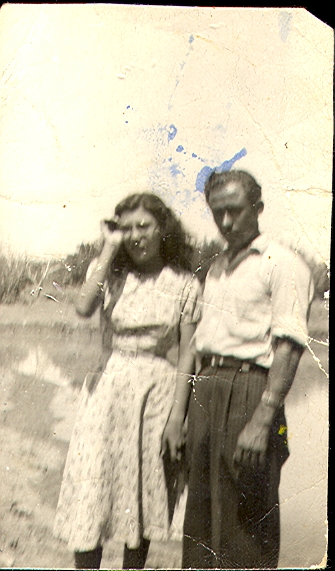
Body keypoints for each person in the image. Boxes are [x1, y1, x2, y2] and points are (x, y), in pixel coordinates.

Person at [165, 170, 314, 569]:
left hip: (252, 390)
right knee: (200, 516)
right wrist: (179, 416)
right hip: (209, 387)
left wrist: (262, 419)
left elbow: (290, 346)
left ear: (258, 209)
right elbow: (197, 344)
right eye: (218, 214)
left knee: (248, 522)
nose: (226, 223)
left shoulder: (282, 264)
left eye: (234, 211)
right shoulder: (216, 268)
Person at [53, 192, 201, 570]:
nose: (136, 236)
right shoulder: (110, 275)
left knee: (144, 492)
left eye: (144, 226)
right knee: (94, 487)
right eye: (127, 228)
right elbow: (83, 307)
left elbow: (187, 352)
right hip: (108, 387)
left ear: (162, 228)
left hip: (158, 392)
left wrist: (177, 418)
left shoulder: (184, 282)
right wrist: (108, 248)